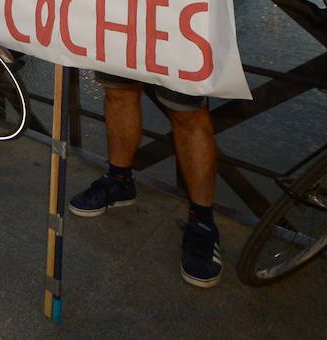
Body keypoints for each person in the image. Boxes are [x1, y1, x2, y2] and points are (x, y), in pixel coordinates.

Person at [67, 78, 225, 288]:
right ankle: (119, 181)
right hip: (121, 42)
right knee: (117, 92)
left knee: (187, 112)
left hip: (181, 45)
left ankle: (202, 222)